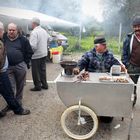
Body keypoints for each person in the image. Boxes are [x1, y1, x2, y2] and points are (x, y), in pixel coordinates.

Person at [73, 37, 126, 123]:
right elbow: (82, 62)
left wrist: (121, 67)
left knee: (106, 118)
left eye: (105, 44)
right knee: (91, 99)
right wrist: (78, 68)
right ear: (97, 46)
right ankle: (90, 111)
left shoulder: (109, 54)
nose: (106, 46)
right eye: (103, 45)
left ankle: (105, 112)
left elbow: (116, 63)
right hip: (92, 82)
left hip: (106, 82)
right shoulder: (88, 54)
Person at [0, 21, 30, 118]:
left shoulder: (23, 40)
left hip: (20, 65)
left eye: (13, 30)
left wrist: (25, 63)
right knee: (10, 87)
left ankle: (18, 101)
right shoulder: (3, 38)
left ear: (17, 31)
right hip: (7, 68)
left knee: (20, 85)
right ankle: (12, 104)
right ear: (6, 30)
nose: (11, 32)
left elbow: (29, 52)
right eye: (9, 30)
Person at [121, 16, 140, 106]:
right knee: (132, 87)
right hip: (133, 66)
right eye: (135, 26)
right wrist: (128, 65)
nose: (137, 28)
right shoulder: (129, 38)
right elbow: (124, 54)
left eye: (139, 26)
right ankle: (131, 104)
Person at [29, 17, 50, 91]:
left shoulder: (34, 32)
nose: (31, 24)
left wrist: (30, 54)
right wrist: (45, 46)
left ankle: (37, 86)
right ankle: (44, 85)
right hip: (44, 53)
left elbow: (33, 46)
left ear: (34, 23)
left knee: (35, 71)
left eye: (31, 23)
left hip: (36, 55)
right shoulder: (44, 31)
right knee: (42, 70)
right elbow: (49, 39)